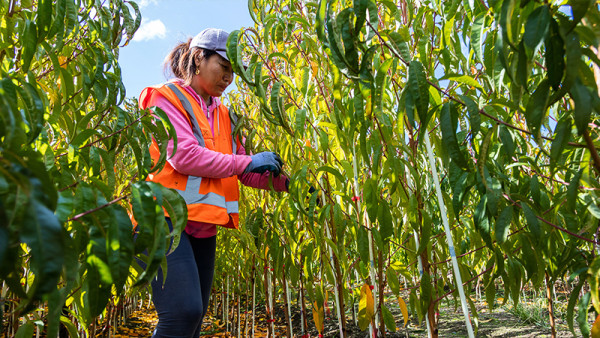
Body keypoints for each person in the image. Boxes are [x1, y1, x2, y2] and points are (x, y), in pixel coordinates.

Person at [138, 28, 289, 337]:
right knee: (183, 313)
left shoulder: (227, 117)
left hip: (202, 227)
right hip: (162, 220)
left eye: (234, 72)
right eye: (224, 67)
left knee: (193, 321)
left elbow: (246, 173)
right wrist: (249, 160)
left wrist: (289, 184)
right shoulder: (166, 98)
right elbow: (184, 156)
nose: (229, 77)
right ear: (198, 58)